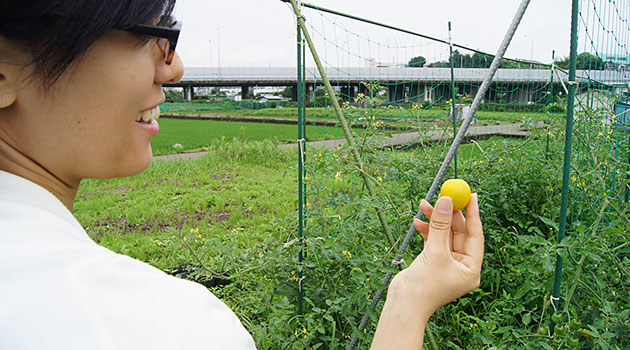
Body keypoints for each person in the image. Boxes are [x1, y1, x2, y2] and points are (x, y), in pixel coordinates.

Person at [0, 1, 484, 349]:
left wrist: (408, 293)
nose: (175, 68)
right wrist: (413, 304)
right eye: (149, 35)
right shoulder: (164, 327)